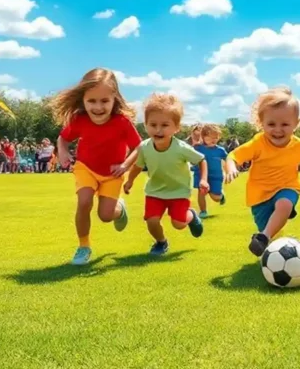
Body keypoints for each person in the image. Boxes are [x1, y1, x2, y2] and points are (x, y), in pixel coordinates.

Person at [52, 68, 142, 266]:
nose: (98, 107)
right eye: (91, 101)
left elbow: (139, 147)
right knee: (84, 202)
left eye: (104, 101)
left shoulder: (122, 122)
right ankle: (84, 246)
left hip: (113, 173)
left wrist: (126, 165)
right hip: (86, 167)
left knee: (105, 216)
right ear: (83, 100)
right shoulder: (79, 120)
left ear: (114, 99)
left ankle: (120, 208)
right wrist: (63, 151)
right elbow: (63, 138)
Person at [224, 87, 300, 256]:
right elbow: (234, 156)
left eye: (285, 124)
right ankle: (270, 240)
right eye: (271, 124)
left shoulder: (299, 146)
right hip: (260, 196)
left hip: (288, 187)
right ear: (261, 123)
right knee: (273, 233)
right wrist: (231, 167)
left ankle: (264, 236)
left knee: (284, 204)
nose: (278, 130)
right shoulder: (258, 143)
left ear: (296, 124)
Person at [117, 94, 206, 255]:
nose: (158, 130)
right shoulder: (144, 147)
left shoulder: (181, 148)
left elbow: (201, 160)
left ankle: (191, 216)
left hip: (179, 191)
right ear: (146, 125)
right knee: (151, 220)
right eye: (153, 124)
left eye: (165, 125)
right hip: (155, 191)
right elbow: (138, 165)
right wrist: (130, 180)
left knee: (178, 224)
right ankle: (161, 242)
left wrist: (204, 180)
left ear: (176, 128)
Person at [193, 123, 228, 219]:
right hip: (200, 175)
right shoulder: (198, 148)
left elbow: (228, 160)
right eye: (210, 137)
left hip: (216, 176)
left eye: (216, 137)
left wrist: (230, 170)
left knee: (215, 198)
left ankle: (221, 196)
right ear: (203, 137)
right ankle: (203, 211)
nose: (213, 140)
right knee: (201, 192)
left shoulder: (220, 150)